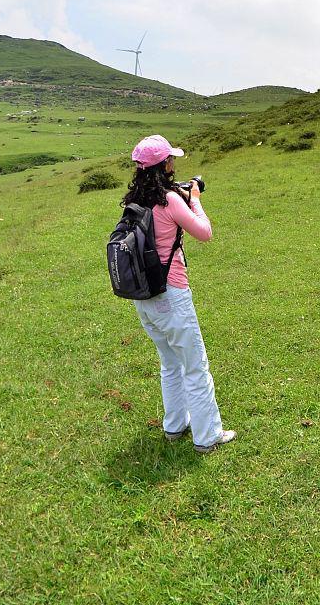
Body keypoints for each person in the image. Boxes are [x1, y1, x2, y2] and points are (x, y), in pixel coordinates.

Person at [123, 135, 235, 454]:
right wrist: (194, 197)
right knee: (195, 365)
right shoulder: (170, 199)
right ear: (165, 165)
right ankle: (208, 436)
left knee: (169, 362)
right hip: (172, 294)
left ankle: (175, 425)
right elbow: (205, 233)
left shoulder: (135, 200)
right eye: (171, 159)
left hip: (144, 297)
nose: (174, 163)